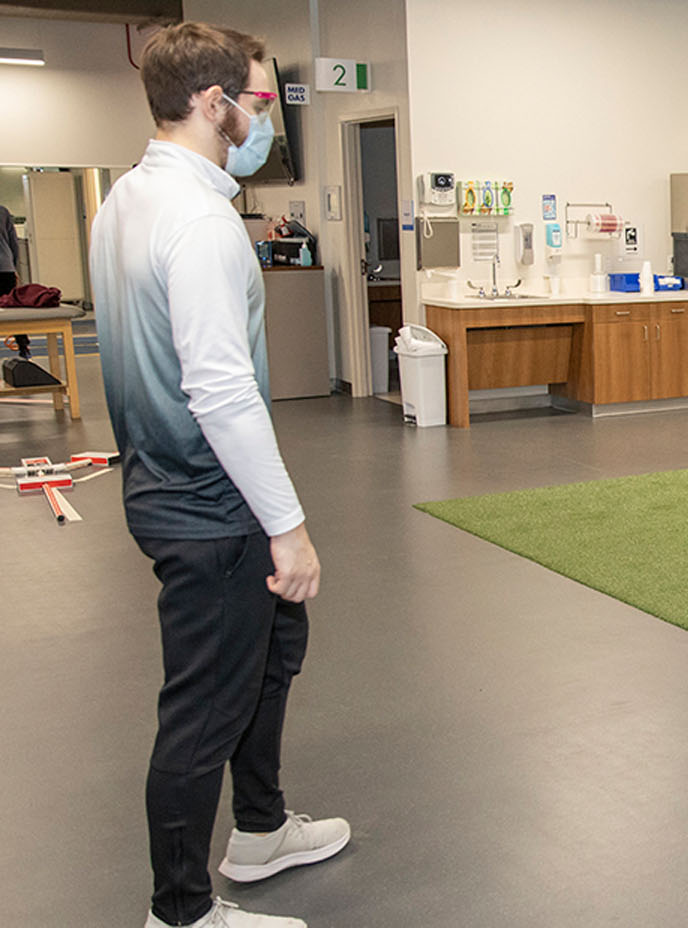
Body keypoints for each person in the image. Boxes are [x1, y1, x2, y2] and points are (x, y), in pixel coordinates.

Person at [89, 22, 347, 928]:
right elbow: (222, 390)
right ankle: (183, 912)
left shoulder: (127, 198)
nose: (264, 118)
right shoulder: (198, 220)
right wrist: (289, 525)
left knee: (274, 656)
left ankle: (263, 830)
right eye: (259, 99)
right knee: (202, 710)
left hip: (166, 488)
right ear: (213, 105)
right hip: (210, 507)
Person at [0, 203, 18, 295]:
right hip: (6, 268)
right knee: (7, 304)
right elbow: (13, 242)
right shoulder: (3, 211)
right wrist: (13, 267)